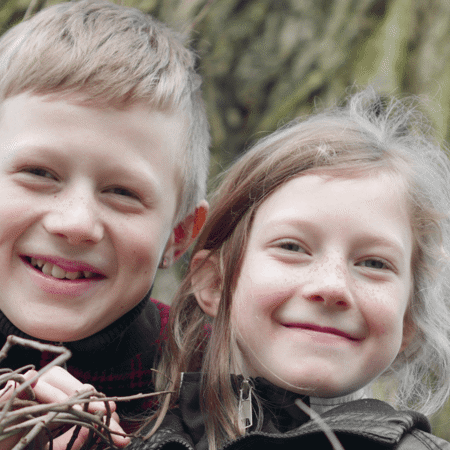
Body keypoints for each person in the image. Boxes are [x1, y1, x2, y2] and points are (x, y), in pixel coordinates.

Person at [131, 88, 450, 450]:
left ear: (407, 320)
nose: (331, 286)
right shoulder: (126, 433)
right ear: (216, 283)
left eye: (374, 263)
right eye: (292, 247)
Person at [0, 0, 209, 447]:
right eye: (38, 173)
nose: (75, 224)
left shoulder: (218, 383)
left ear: (178, 236)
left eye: (123, 192)